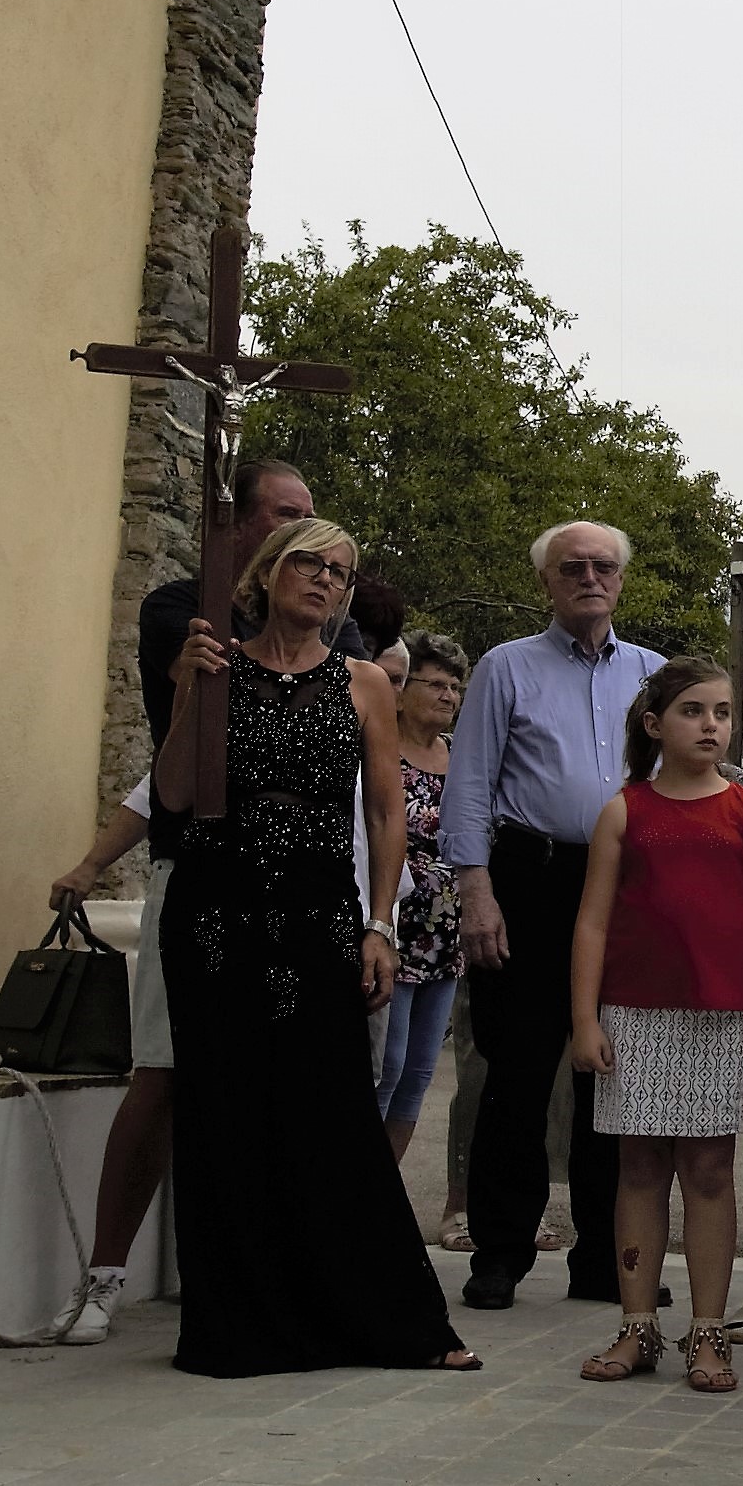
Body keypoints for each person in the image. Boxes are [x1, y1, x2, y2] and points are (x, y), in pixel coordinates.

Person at [156, 515, 473, 1376]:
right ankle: (238, 1325)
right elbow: (175, 795)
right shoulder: (214, 664)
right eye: (309, 563)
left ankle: (378, 1317)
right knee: (226, 1106)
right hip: (216, 905)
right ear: (266, 573)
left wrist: (380, 924)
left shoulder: (365, 682)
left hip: (320, 909)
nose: (326, 581)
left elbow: (383, 814)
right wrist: (190, 692)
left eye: (340, 572)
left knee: (329, 1105)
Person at [38, 459, 314, 1345]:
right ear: (236, 522)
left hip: (293, 890)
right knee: (161, 1071)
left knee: (274, 1081)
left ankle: (245, 1270)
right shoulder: (180, 613)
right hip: (195, 869)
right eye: (282, 516)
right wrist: (91, 862)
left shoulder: (329, 653)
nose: (298, 537)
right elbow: (166, 768)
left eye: (310, 523)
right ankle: (104, 1279)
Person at [441, 524, 663, 1310]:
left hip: (625, 889)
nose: (590, 578)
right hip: (528, 881)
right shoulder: (507, 668)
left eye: (604, 567)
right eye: (573, 568)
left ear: (622, 582)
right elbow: (467, 783)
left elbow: (675, 789)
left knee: (617, 1073)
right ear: (547, 583)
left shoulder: (652, 676)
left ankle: (606, 1263)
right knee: (517, 1071)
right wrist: (475, 889)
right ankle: (499, 1252)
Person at [568, 656, 743, 1392]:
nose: (710, 725)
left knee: (710, 1171)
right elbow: (593, 922)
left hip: (720, 1019)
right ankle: (637, 1325)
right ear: (654, 724)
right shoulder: (625, 810)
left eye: (721, 712)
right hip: (633, 1015)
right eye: (693, 711)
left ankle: (708, 1331)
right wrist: (584, 1017)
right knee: (637, 1167)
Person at [381, 630, 470, 1164]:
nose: (448, 696)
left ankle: (381, 1197)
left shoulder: (461, 756)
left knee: (417, 1074)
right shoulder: (377, 748)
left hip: (444, 940)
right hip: (391, 930)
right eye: (436, 683)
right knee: (384, 1067)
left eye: (455, 687)